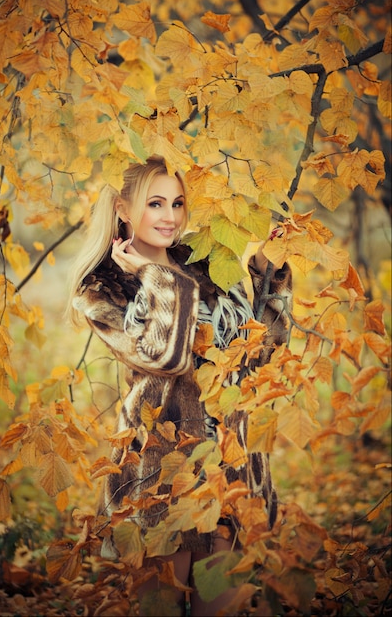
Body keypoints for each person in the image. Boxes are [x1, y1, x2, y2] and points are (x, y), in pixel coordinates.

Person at [66, 155, 292, 616]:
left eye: (177, 202)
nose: (170, 217)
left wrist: (271, 276)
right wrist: (157, 279)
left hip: (229, 471)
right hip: (160, 475)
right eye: (155, 203)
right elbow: (165, 358)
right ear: (124, 209)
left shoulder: (207, 264)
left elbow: (259, 355)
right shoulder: (102, 290)